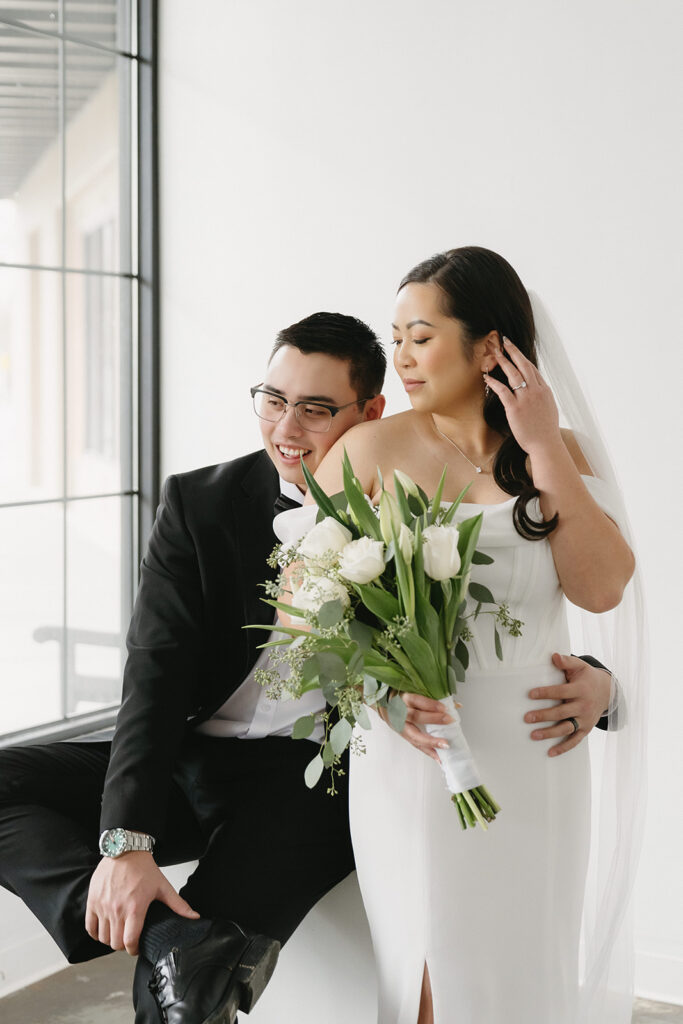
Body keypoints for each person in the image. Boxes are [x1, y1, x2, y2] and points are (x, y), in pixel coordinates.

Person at [0, 306, 616, 1024]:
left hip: (314, 784)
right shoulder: (201, 503)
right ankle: (147, 929)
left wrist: (599, 681)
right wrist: (126, 845)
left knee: (183, 998)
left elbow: (503, 608)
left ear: (370, 410)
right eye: (273, 401)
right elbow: (155, 677)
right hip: (197, 760)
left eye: (316, 409)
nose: (286, 430)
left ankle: (181, 957)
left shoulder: (408, 487)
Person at [302, 247, 642, 1024]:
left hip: (537, 750)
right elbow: (303, 609)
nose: (402, 358)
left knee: (524, 955)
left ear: (489, 346)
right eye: (396, 338)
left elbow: (600, 588)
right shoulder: (368, 451)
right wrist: (378, 694)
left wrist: (543, 442)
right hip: (415, 747)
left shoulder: (558, 455)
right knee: (425, 951)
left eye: (419, 336)